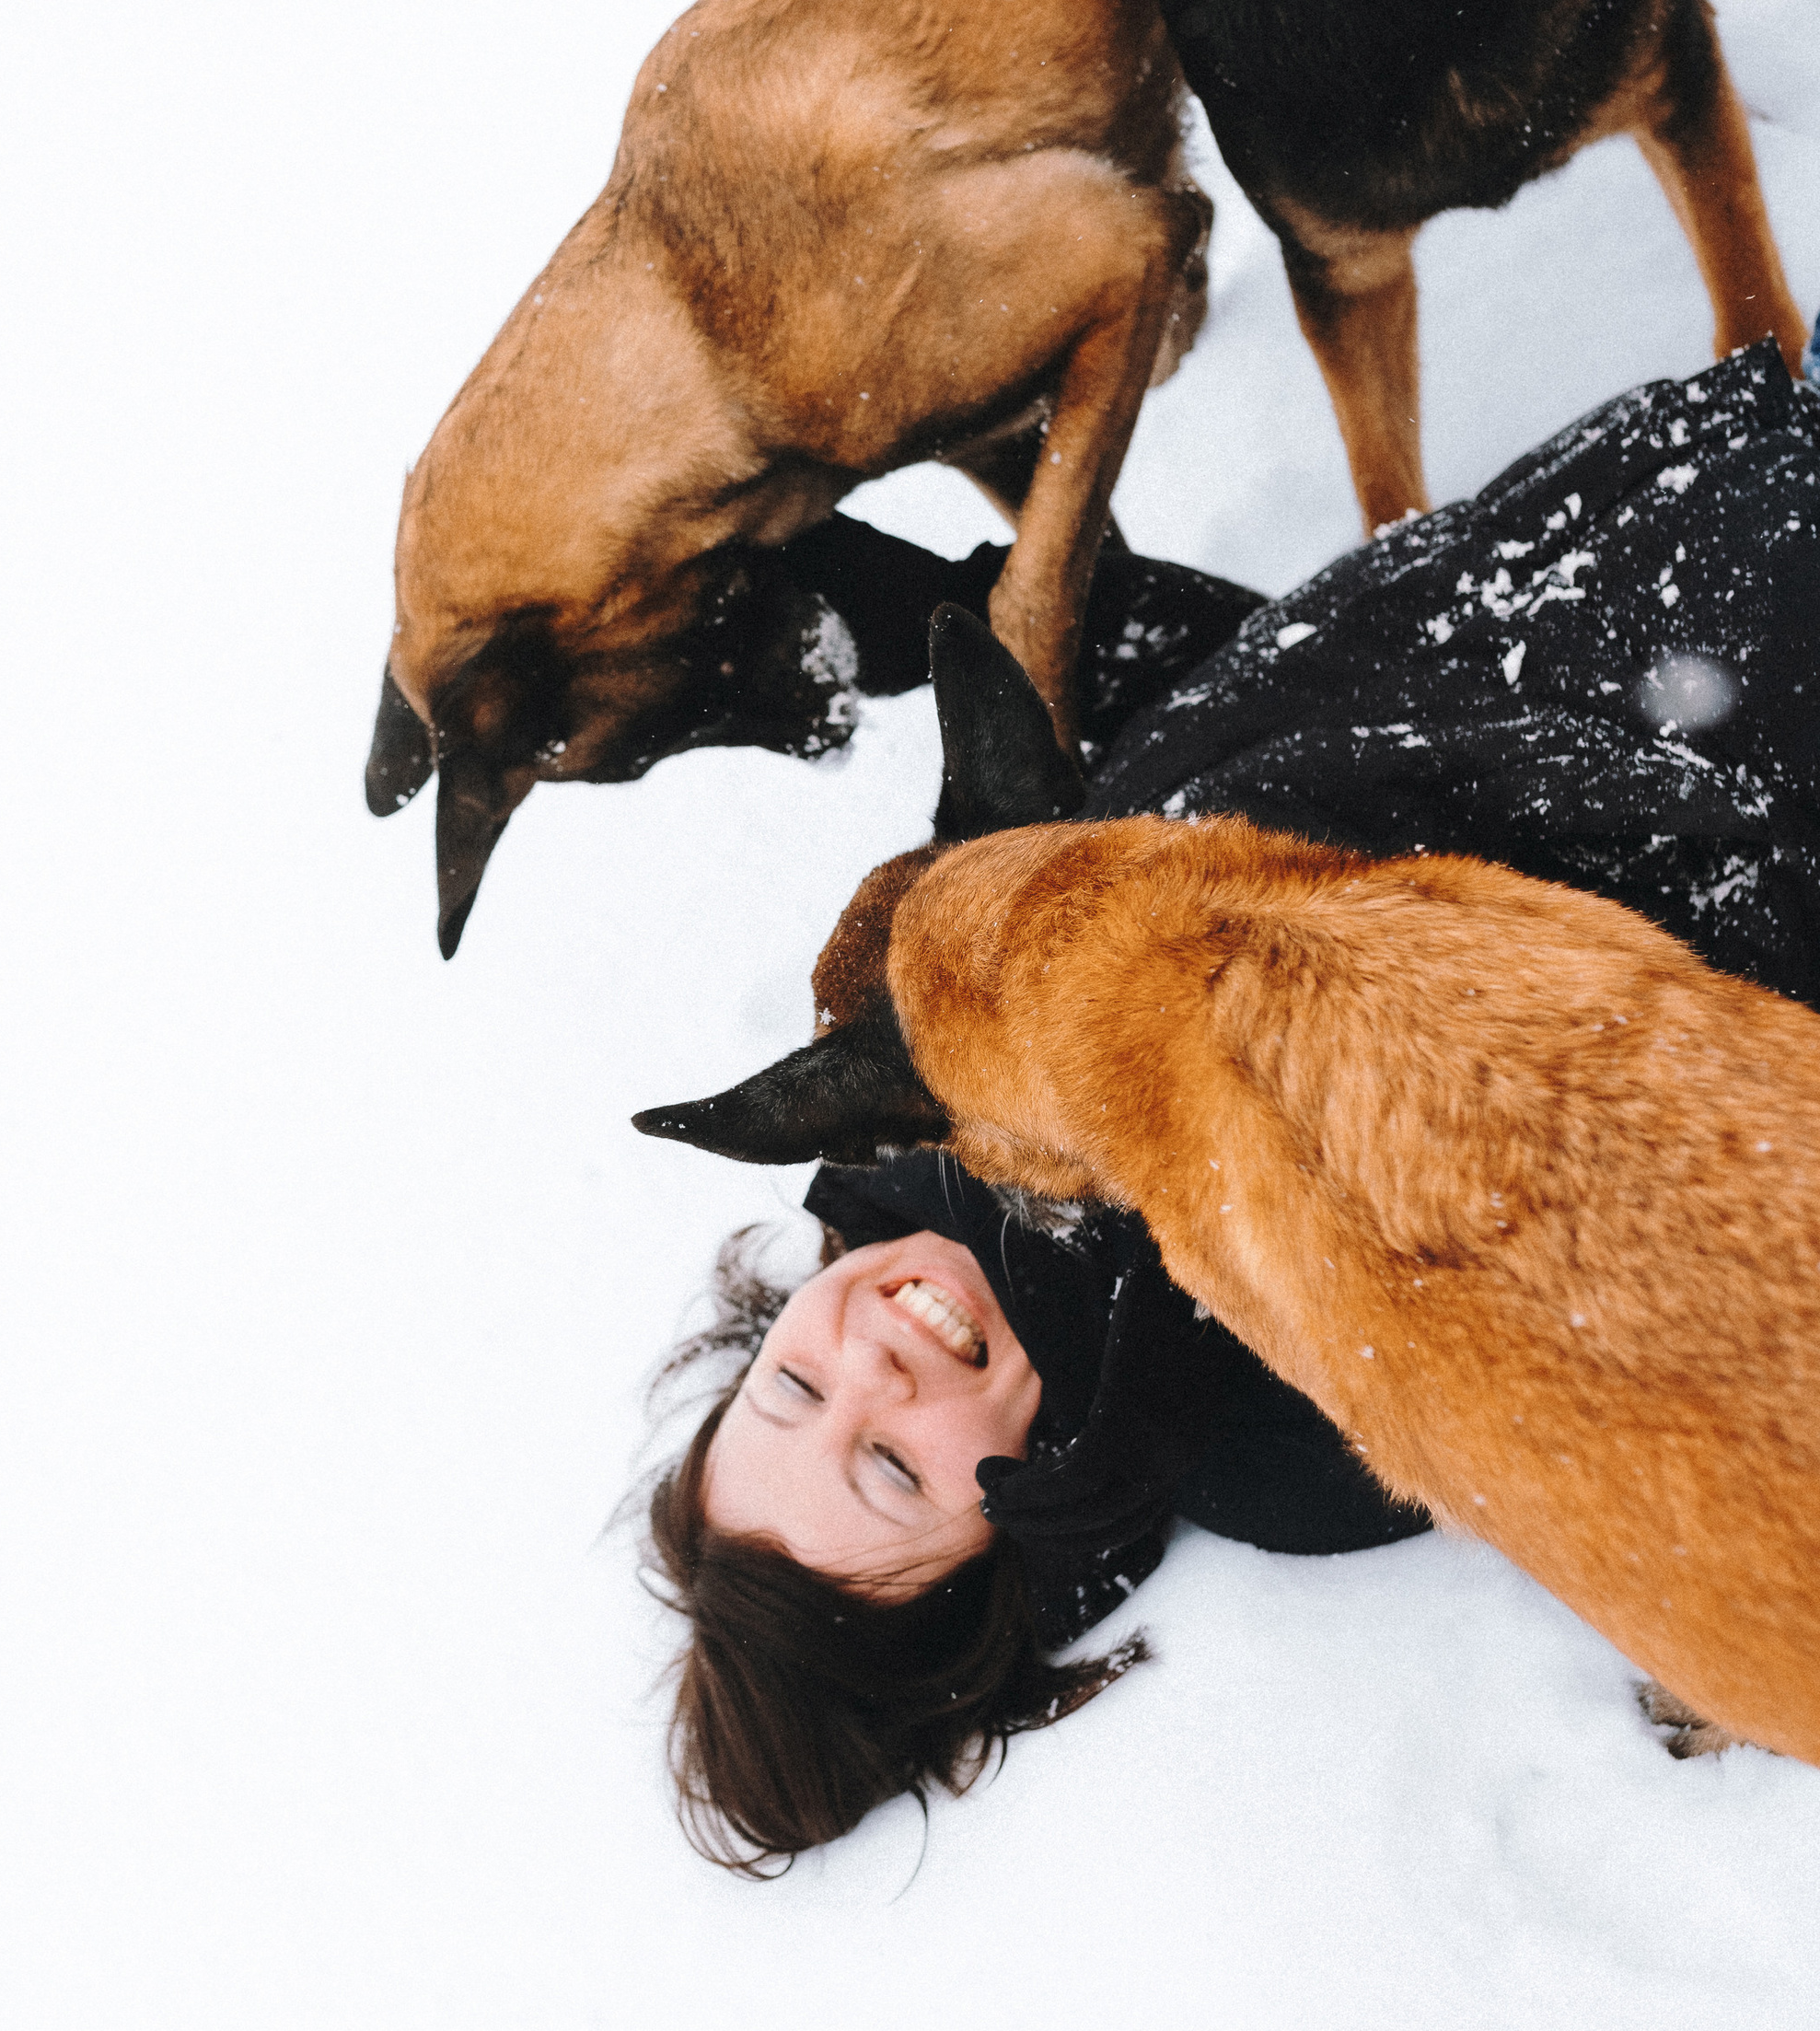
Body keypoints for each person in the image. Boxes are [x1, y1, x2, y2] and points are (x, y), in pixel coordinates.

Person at [643, 346, 1820, 1868]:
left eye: (793, 1390)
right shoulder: (1260, 1420)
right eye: (894, 1467)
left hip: (1649, 513)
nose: (868, 1359)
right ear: (1006, 1542)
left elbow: (1227, 691)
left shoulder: (917, 1027)